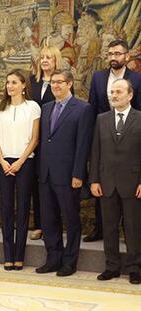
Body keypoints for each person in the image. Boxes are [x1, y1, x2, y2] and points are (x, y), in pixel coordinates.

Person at [36, 69, 93, 277]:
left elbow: (83, 145)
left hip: (69, 176)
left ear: (70, 84)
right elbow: (44, 141)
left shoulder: (83, 109)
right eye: (52, 83)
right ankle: (53, 259)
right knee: (49, 220)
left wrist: (78, 174)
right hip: (46, 175)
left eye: (60, 82)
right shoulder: (46, 108)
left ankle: (69, 262)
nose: (56, 86)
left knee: (71, 220)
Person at [85, 39, 141, 243]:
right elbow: (92, 107)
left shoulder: (137, 78)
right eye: (110, 54)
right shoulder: (99, 78)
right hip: (103, 137)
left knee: (128, 198)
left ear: (127, 56)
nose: (113, 57)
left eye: (118, 53)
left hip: (129, 139)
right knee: (104, 190)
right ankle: (99, 229)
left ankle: (130, 236)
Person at [89, 79, 141, 285]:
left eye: (119, 91)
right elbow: (95, 151)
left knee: (133, 227)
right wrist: (94, 179)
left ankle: (135, 267)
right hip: (106, 182)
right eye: (112, 92)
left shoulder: (140, 119)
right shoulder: (102, 119)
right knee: (109, 227)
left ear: (130, 95)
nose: (114, 95)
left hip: (132, 182)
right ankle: (111, 266)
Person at [0, 69, 40, 271]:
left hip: (25, 161)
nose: (9, 86)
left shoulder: (33, 107)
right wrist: (2, 160)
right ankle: (8, 255)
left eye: (14, 82)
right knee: (6, 208)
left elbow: (35, 138)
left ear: (23, 85)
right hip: (4, 162)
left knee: (22, 209)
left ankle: (19, 255)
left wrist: (20, 161)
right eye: (8, 82)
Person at [29, 45, 63, 241]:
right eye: (42, 57)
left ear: (55, 60)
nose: (44, 60)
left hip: (53, 141)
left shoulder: (61, 82)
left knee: (53, 184)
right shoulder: (32, 82)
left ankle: (54, 225)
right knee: (37, 183)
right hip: (33, 141)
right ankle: (39, 225)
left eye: (49, 57)